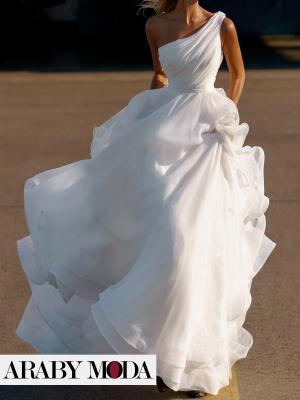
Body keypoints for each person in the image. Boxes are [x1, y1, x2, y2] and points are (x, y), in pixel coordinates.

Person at [15, 0, 277, 397]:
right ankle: (157, 348)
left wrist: (226, 114)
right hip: (165, 134)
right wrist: (145, 116)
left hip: (209, 137)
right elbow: (159, 73)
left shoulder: (224, 26)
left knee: (196, 245)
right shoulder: (156, 26)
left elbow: (237, 76)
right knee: (167, 240)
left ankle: (188, 357)